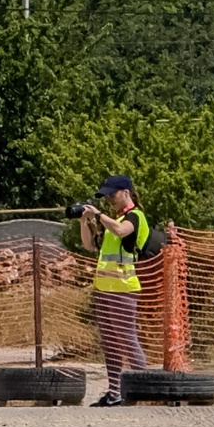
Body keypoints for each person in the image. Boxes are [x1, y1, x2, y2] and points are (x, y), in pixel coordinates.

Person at [81, 174, 152, 406]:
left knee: (127, 338)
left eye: (113, 194)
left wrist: (98, 215)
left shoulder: (135, 216)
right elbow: (89, 245)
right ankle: (114, 393)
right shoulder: (113, 220)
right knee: (110, 342)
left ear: (126, 192)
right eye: (107, 196)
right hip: (104, 288)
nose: (110, 199)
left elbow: (122, 231)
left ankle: (142, 389)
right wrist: (84, 221)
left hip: (123, 287)